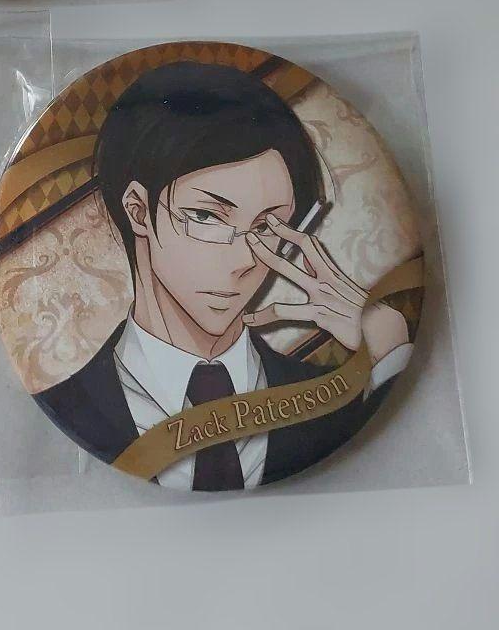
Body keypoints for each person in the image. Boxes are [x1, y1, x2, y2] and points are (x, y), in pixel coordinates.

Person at [35, 61, 412, 490]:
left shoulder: (333, 399)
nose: (243, 259)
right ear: (139, 210)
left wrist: (388, 341)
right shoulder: (69, 408)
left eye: (268, 226)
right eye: (206, 216)